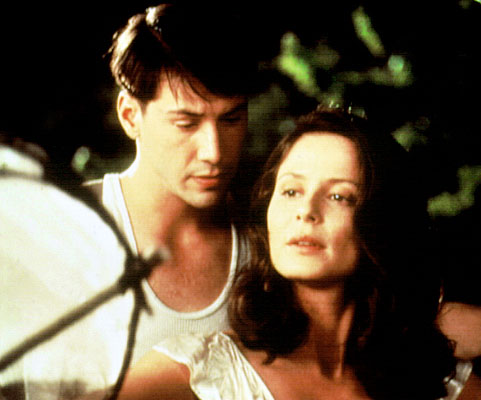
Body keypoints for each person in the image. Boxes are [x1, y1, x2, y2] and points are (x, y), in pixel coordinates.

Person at [1, 3, 271, 399]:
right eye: (186, 123)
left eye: (231, 119)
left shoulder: (273, 243)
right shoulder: (55, 236)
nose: (214, 151)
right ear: (130, 116)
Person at [113, 106, 457, 399]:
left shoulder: (423, 378)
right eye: (291, 191)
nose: (306, 211)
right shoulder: (198, 369)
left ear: (384, 222)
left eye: (339, 196)